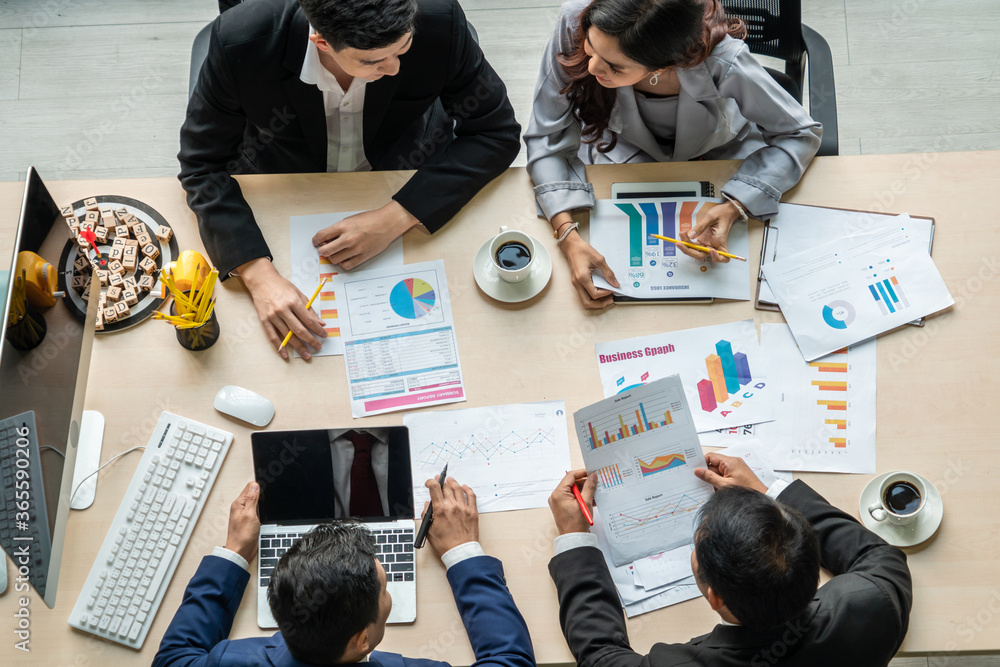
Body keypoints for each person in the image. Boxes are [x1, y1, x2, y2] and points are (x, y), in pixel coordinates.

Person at [179, 0, 521, 358]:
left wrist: (397, 216)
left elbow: (495, 132)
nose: (394, 69)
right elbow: (201, 165)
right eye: (373, 61)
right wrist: (256, 273)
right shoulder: (242, 40)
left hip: (404, 172)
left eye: (403, 49)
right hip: (284, 184)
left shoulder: (438, 19)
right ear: (321, 41)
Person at [524, 0, 822, 308]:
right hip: (619, 153)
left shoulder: (724, 60)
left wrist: (736, 204)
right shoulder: (576, 20)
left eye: (614, 66)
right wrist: (568, 236)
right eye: (591, 46)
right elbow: (547, 137)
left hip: (719, 154)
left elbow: (800, 134)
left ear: (665, 65)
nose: (591, 68)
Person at [546, 454, 913, 666]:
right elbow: (878, 554)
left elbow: (599, 657)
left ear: (715, 597)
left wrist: (574, 538)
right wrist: (768, 497)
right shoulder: (874, 605)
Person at [154, 477, 535, 667]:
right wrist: (463, 553)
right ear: (361, 640)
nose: (387, 596)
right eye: (384, 591)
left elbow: (173, 657)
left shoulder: (233, 661)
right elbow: (510, 660)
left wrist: (234, 552)